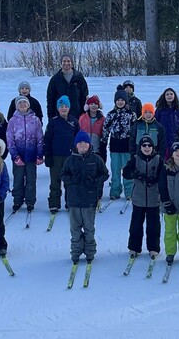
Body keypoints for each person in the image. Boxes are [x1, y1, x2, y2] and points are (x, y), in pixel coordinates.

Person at [61, 131, 109, 265]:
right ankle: (76, 252)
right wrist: (72, 180)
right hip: (74, 201)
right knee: (75, 229)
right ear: (76, 145)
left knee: (89, 229)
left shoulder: (95, 159)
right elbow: (63, 175)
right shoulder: (70, 160)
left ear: (89, 144)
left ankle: (90, 253)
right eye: (80, 143)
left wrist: (95, 181)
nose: (83, 145)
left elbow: (105, 174)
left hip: (89, 201)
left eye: (85, 143)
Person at [123, 135, 164, 260]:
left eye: (149, 145)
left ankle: (153, 248)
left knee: (153, 225)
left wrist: (155, 179)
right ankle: (134, 247)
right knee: (136, 225)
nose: (147, 148)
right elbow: (125, 172)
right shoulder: (135, 159)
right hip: (139, 198)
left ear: (153, 147)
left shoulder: (158, 159)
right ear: (140, 147)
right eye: (144, 145)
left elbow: (163, 176)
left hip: (153, 198)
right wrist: (135, 174)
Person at [7, 95, 44, 213]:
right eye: (20, 103)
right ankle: (17, 200)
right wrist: (14, 155)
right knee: (18, 179)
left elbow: (40, 138)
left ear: (28, 105)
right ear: (17, 106)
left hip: (31, 155)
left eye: (25, 103)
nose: (22, 105)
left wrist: (39, 154)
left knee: (31, 179)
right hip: (18, 155)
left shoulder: (35, 120)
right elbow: (9, 139)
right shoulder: (13, 121)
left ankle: (30, 201)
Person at [43, 95, 78, 212]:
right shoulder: (53, 122)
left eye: (66, 106)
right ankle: (54, 203)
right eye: (61, 106)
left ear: (69, 108)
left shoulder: (74, 121)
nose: (64, 108)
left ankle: (70, 202)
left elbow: (78, 139)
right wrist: (47, 155)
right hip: (55, 156)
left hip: (70, 157)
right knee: (55, 181)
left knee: (70, 181)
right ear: (58, 108)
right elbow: (47, 140)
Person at [104, 90, 138, 200]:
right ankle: (115, 190)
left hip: (127, 147)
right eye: (118, 100)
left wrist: (135, 145)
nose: (120, 102)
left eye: (122, 100)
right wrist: (103, 141)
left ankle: (129, 191)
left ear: (126, 101)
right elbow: (106, 129)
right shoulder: (111, 114)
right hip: (115, 146)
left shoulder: (131, 114)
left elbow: (135, 131)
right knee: (115, 170)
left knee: (127, 170)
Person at [45, 54, 89, 121]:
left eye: (68, 61)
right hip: (60, 115)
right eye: (64, 61)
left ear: (71, 63)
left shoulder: (79, 77)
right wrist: (51, 116)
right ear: (61, 63)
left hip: (76, 115)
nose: (66, 63)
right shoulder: (55, 79)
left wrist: (83, 114)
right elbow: (50, 99)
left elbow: (84, 96)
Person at [154, 88, 179, 159]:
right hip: (164, 140)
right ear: (164, 96)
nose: (169, 96)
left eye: (171, 94)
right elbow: (155, 123)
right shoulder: (160, 109)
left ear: (174, 96)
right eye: (167, 94)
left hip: (176, 140)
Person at [78, 95, 107, 163]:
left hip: (97, 150)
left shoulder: (103, 119)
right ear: (88, 106)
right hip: (84, 149)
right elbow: (78, 133)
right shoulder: (82, 118)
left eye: (95, 104)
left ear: (99, 106)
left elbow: (104, 135)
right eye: (91, 104)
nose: (93, 106)